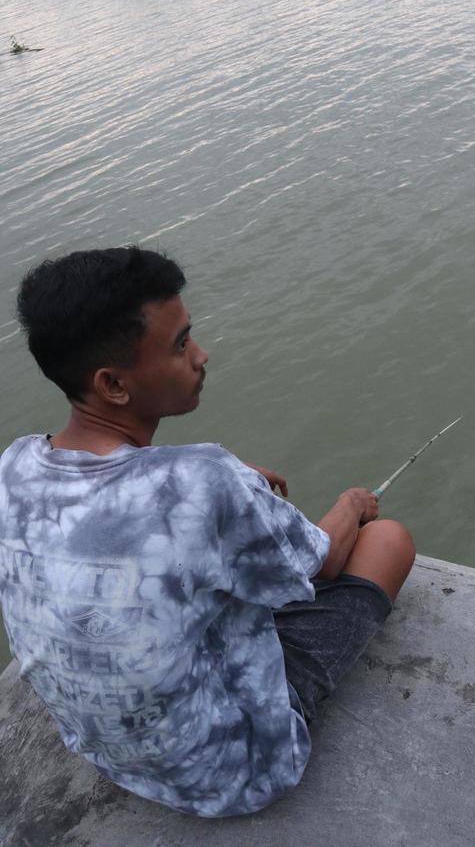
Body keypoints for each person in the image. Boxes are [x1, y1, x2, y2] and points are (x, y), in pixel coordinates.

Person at [0, 247, 415, 818]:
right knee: (388, 541)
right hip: (234, 768)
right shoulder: (205, 479)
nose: (200, 355)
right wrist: (351, 504)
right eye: (179, 345)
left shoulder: (16, 463)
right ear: (114, 385)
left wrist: (232, 486)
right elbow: (322, 563)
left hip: (111, 757)